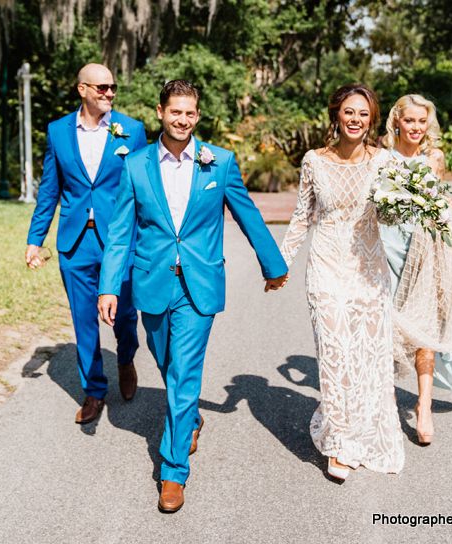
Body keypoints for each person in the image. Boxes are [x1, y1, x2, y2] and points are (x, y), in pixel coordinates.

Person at [97, 80, 289, 513]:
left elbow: (247, 214)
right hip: (152, 282)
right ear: (160, 111)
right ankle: (190, 420)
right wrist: (109, 286)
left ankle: (173, 470)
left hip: (199, 285)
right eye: (175, 112)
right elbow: (119, 232)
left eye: (190, 113)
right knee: (165, 362)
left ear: (197, 116)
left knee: (184, 372)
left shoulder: (219, 162)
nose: (183, 120)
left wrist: (273, 264)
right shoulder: (136, 163)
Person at [278, 84, 407, 481]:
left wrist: (398, 206)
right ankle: (339, 444)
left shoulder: (385, 160)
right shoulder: (314, 161)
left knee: (367, 357)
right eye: (349, 112)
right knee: (334, 353)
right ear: (336, 115)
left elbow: (389, 220)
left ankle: (365, 433)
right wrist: (279, 262)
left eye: (363, 114)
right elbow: (302, 216)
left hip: (369, 270)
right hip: (326, 268)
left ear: (372, 119)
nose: (356, 120)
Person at [26, 63, 147, 424]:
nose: (109, 93)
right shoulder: (58, 131)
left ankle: (125, 359)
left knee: (125, 313)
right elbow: (49, 190)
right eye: (101, 88)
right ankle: (94, 390)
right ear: (82, 90)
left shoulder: (133, 130)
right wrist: (35, 240)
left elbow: (145, 187)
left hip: (120, 240)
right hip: (75, 241)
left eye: (112, 87)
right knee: (83, 319)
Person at [378, 94, 452, 445]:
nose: (416, 128)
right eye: (410, 121)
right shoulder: (381, 156)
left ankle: (424, 405)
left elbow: (442, 202)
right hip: (387, 244)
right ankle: (387, 401)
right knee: (385, 322)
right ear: (397, 122)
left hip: (426, 244)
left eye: (422, 122)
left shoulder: (434, 158)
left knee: (427, 323)